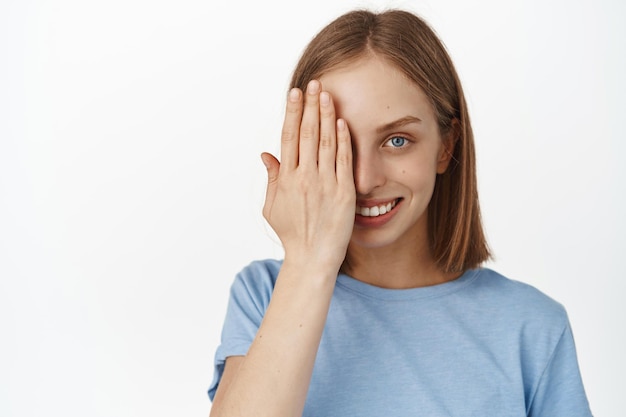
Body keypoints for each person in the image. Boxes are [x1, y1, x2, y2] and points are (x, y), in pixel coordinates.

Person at [208, 8, 592, 417]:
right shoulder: (265, 295)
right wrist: (308, 261)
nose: (363, 180)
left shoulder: (533, 327)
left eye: (396, 140)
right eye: (337, 144)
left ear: (446, 146)